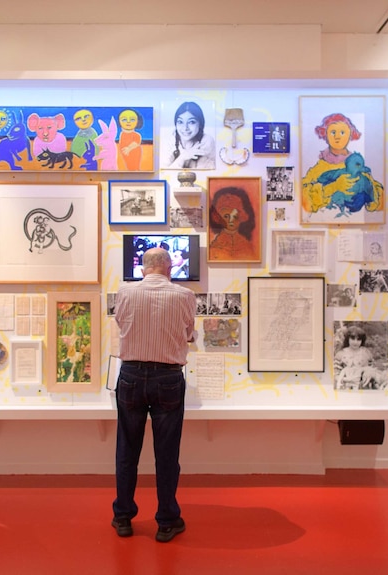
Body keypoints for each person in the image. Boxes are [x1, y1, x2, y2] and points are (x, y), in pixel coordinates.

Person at [112, 247, 196, 543]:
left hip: (132, 375)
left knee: (127, 449)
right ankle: (167, 520)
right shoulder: (185, 296)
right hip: (168, 378)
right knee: (167, 453)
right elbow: (189, 333)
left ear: (142, 268)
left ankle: (123, 516)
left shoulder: (125, 293)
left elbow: (121, 324)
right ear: (169, 267)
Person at [208, 186, 258, 261]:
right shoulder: (215, 245)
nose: (231, 220)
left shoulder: (246, 245)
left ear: (242, 217)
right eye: (226, 216)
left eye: (235, 216)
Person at [165, 101, 215, 170]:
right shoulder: (171, 140)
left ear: (200, 124)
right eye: (180, 122)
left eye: (191, 122)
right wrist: (182, 157)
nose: (185, 128)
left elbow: (203, 175)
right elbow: (164, 173)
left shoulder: (206, 141)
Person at [333, 324, 374, 390]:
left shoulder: (366, 353)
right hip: (345, 387)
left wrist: (368, 374)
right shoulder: (340, 354)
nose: (355, 342)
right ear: (348, 339)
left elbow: (372, 370)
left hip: (363, 387)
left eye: (358, 339)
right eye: (352, 338)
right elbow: (335, 374)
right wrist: (347, 380)